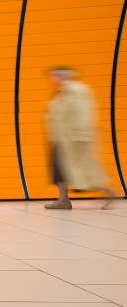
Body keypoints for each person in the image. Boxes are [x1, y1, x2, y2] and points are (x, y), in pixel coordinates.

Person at [44, 66, 116, 209]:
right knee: (58, 170)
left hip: (74, 139)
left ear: (63, 75)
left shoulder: (78, 90)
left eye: (55, 75)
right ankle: (63, 200)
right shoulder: (62, 92)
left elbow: (84, 113)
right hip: (61, 139)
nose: (53, 78)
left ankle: (109, 193)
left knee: (82, 172)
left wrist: (83, 135)